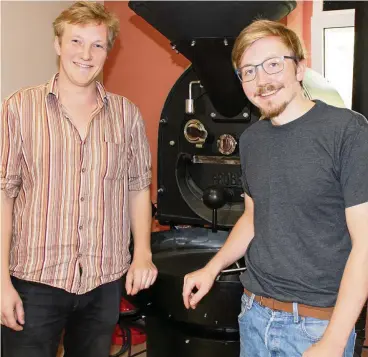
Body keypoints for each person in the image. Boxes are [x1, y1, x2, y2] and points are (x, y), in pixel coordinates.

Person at [182, 19, 368, 357]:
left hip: (316, 325)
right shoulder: (252, 139)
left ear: (299, 68)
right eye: (249, 71)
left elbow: (366, 244)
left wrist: (335, 340)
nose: (262, 80)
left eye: (272, 65)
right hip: (254, 314)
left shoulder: (348, 131)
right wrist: (212, 268)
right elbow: (253, 218)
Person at [1, 2, 157, 356]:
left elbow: (137, 188)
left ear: (108, 51)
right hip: (34, 281)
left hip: (103, 283)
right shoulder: (18, 109)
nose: (85, 54)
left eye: (97, 44)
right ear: (57, 44)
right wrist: (0, 283)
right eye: (75, 41)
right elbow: (3, 196)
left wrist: (143, 255)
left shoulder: (126, 115)